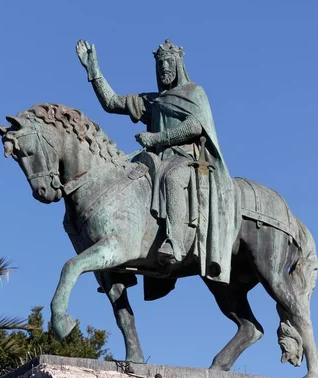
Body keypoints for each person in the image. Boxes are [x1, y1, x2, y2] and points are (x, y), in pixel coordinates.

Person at [76, 39, 235, 284]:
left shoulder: (193, 92)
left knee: (173, 178)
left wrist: (157, 137)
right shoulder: (154, 100)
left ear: (179, 64)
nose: (164, 69)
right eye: (160, 65)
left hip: (185, 158)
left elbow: (194, 126)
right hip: (154, 160)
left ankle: (175, 242)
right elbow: (112, 102)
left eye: (168, 63)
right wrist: (94, 72)